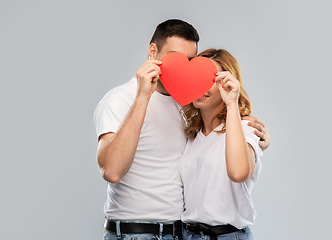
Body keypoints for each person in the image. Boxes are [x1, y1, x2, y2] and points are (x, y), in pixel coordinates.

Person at [94, 19, 271, 240]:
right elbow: (111, 171)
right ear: (153, 52)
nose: (182, 67)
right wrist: (142, 97)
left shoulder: (188, 107)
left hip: (182, 233)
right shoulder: (119, 100)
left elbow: (234, 164)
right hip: (137, 232)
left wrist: (251, 130)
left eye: (189, 61)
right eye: (174, 57)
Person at [179, 49, 262, 240]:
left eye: (211, 79)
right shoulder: (191, 135)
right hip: (187, 235)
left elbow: (239, 173)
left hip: (227, 236)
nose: (202, 86)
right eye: (197, 78)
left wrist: (232, 104)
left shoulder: (247, 128)